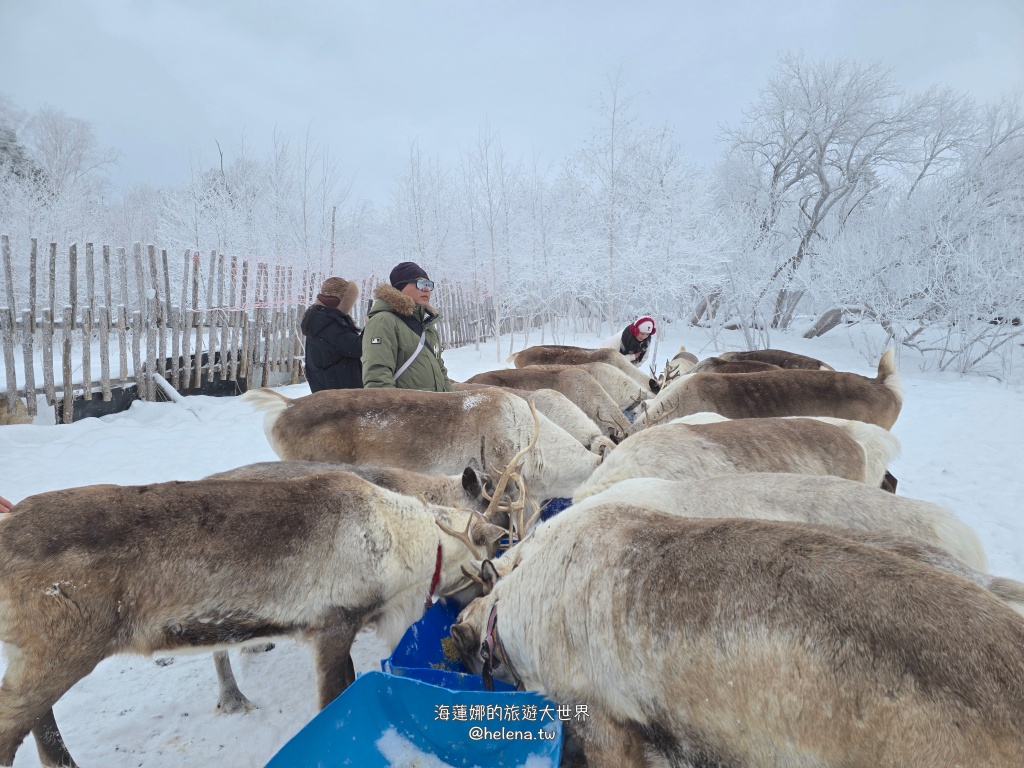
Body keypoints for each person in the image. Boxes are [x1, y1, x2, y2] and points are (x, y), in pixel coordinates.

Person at [361, 261, 454, 391]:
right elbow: (378, 377)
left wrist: (451, 403)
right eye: (420, 284)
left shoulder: (427, 326)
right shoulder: (383, 321)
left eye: (428, 284)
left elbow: (441, 371)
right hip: (407, 409)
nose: (426, 289)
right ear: (401, 286)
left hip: (434, 409)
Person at [300, 276, 363, 392]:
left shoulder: (318, 317)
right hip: (340, 392)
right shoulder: (329, 323)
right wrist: (371, 327)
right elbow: (357, 347)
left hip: (328, 389)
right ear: (343, 301)